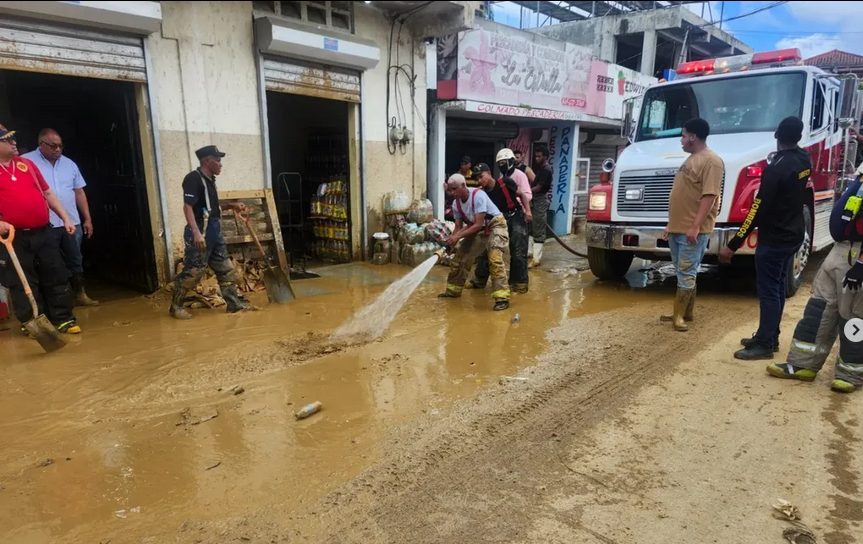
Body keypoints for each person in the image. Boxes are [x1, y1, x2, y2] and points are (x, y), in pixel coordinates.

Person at [765, 161, 863, 393]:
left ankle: (850, 373)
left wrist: (860, 264)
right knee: (818, 310)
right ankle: (802, 365)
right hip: (840, 251)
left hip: (857, 255)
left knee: (854, 318)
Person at [720, 117, 811, 359]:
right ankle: (770, 335)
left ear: (776, 135)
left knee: (770, 291)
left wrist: (733, 244)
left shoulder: (775, 168)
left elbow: (757, 210)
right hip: (793, 234)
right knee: (779, 287)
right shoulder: (804, 159)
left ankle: (764, 344)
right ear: (798, 137)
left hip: (774, 239)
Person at [0, 125, 80, 335]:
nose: (14, 143)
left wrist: (65, 218)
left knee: (56, 274)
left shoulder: (27, 165)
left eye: (13, 139)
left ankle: (63, 319)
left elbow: (48, 193)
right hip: (12, 237)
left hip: (43, 232)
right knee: (22, 281)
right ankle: (32, 322)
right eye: (7, 140)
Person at [170, 145, 256, 319]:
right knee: (194, 272)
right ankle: (176, 307)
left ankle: (233, 305)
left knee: (225, 268)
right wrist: (196, 233)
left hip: (214, 230)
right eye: (217, 160)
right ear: (207, 161)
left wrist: (232, 205)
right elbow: (188, 208)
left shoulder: (210, 180)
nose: (220, 164)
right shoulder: (193, 179)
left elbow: (210, 208)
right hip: (200, 230)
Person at [660, 118, 723, 332]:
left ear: (693, 137)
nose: (681, 140)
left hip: (692, 230)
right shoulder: (691, 159)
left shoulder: (711, 161)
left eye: (684, 135)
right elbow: (683, 195)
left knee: (687, 271)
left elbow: (709, 195)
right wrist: (671, 224)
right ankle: (685, 312)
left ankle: (679, 316)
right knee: (682, 271)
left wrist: (695, 226)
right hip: (678, 228)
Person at [23, 128, 99, 307]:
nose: (57, 149)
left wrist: (87, 219)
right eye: (53, 146)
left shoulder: (69, 164)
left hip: (71, 222)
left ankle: (80, 294)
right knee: (48, 263)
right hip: (43, 223)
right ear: (41, 144)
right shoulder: (25, 162)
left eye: (60, 146)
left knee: (75, 258)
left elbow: (79, 192)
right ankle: (54, 301)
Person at [438, 173, 511, 311]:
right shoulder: (456, 204)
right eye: (450, 190)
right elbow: (458, 228)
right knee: (460, 257)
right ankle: (453, 291)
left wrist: (457, 237)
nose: (453, 193)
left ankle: (502, 298)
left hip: (495, 225)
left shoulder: (478, 196)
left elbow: (478, 224)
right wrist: (451, 241)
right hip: (476, 228)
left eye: (455, 189)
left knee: (494, 258)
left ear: (463, 186)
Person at [469, 161, 531, 293]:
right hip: (497, 220)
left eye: (482, 176)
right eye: (477, 178)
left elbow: (523, 195)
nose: (480, 180)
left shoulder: (506, 182)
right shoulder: (481, 194)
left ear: (489, 173)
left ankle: (519, 284)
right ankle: (479, 281)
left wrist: (528, 212)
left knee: (518, 250)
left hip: (515, 216)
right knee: (489, 250)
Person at [529, 146, 553, 268]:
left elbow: (538, 188)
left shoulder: (546, 170)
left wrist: (526, 191)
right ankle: (530, 253)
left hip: (539, 199)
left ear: (545, 157)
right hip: (534, 199)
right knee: (531, 226)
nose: (537, 158)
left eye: (539, 156)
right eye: (536, 156)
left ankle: (536, 259)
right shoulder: (542, 169)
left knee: (538, 227)